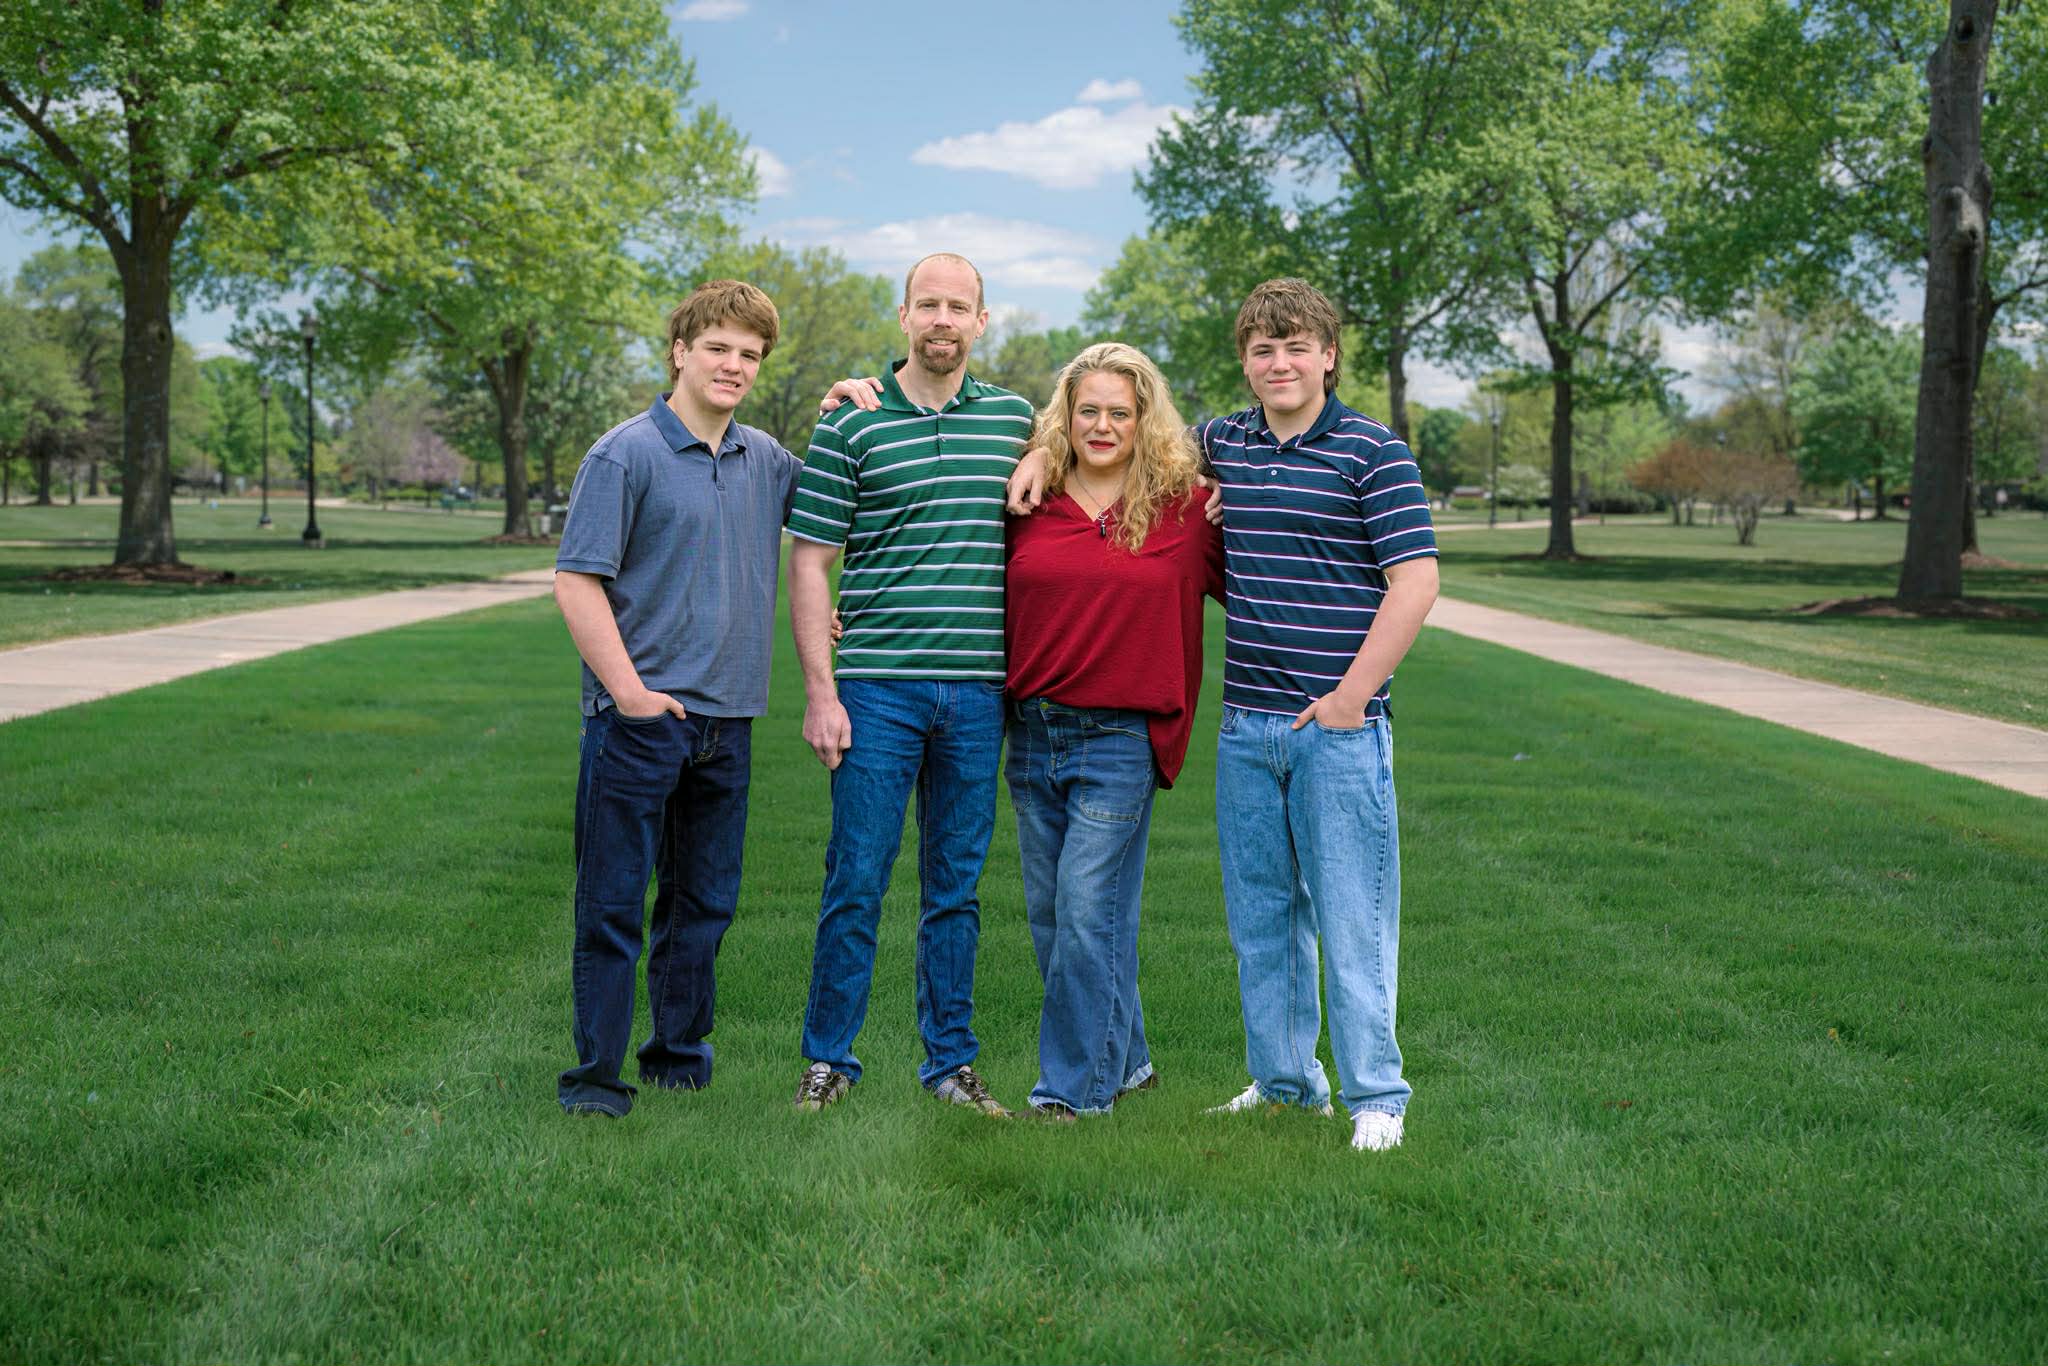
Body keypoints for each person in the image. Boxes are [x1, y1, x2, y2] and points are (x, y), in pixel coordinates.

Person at [785, 252, 1035, 1116]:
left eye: (957, 306)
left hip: (978, 690)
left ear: (980, 321)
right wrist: (821, 689)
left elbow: (1113, 457)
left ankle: (950, 1066)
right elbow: (812, 564)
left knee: (955, 890)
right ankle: (828, 1061)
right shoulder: (850, 423)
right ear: (902, 315)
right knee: (856, 876)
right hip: (876, 687)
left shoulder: (1015, 423)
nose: (941, 319)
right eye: (926, 304)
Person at [1197, 278, 1438, 1152]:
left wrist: (1348, 699)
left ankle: (1378, 1095)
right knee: (1262, 920)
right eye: (1263, 349)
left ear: (1328, 354)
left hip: (1337, 730)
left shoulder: (1374, 452)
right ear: (1246, 362)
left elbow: (1416, 583)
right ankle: (1287, 1083)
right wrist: (1037, 454)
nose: (1280, 362)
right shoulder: (1221, 443)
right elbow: (1117, 434)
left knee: (1354, 919)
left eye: (1296, 346)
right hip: (1245, 727)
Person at [552, 279, 800, 1118]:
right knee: (614, 907)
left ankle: (678, 1062)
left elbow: (834, 521)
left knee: (702, 909)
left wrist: (849, 404)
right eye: (719, 348)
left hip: (729, 723)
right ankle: (596, 1081)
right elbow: (577, 581)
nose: (734, 366)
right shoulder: (624, 454)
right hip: (640, 723)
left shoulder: (766, 460)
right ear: (680, 352)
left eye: (750, 355)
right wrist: (630, 696)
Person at [1003, 343, 1223, 1119]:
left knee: (1088, 910)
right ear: (1064, 416)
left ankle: (1071, 1094)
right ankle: (1127, 1063)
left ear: (1144, 421)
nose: (1101, 424)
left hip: (1123, 739)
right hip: (1031, 735)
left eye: (1119, 412)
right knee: (1056, 916)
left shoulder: (1188, 510)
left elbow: (1263, 575)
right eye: (1086, 409)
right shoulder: (1028, 499)